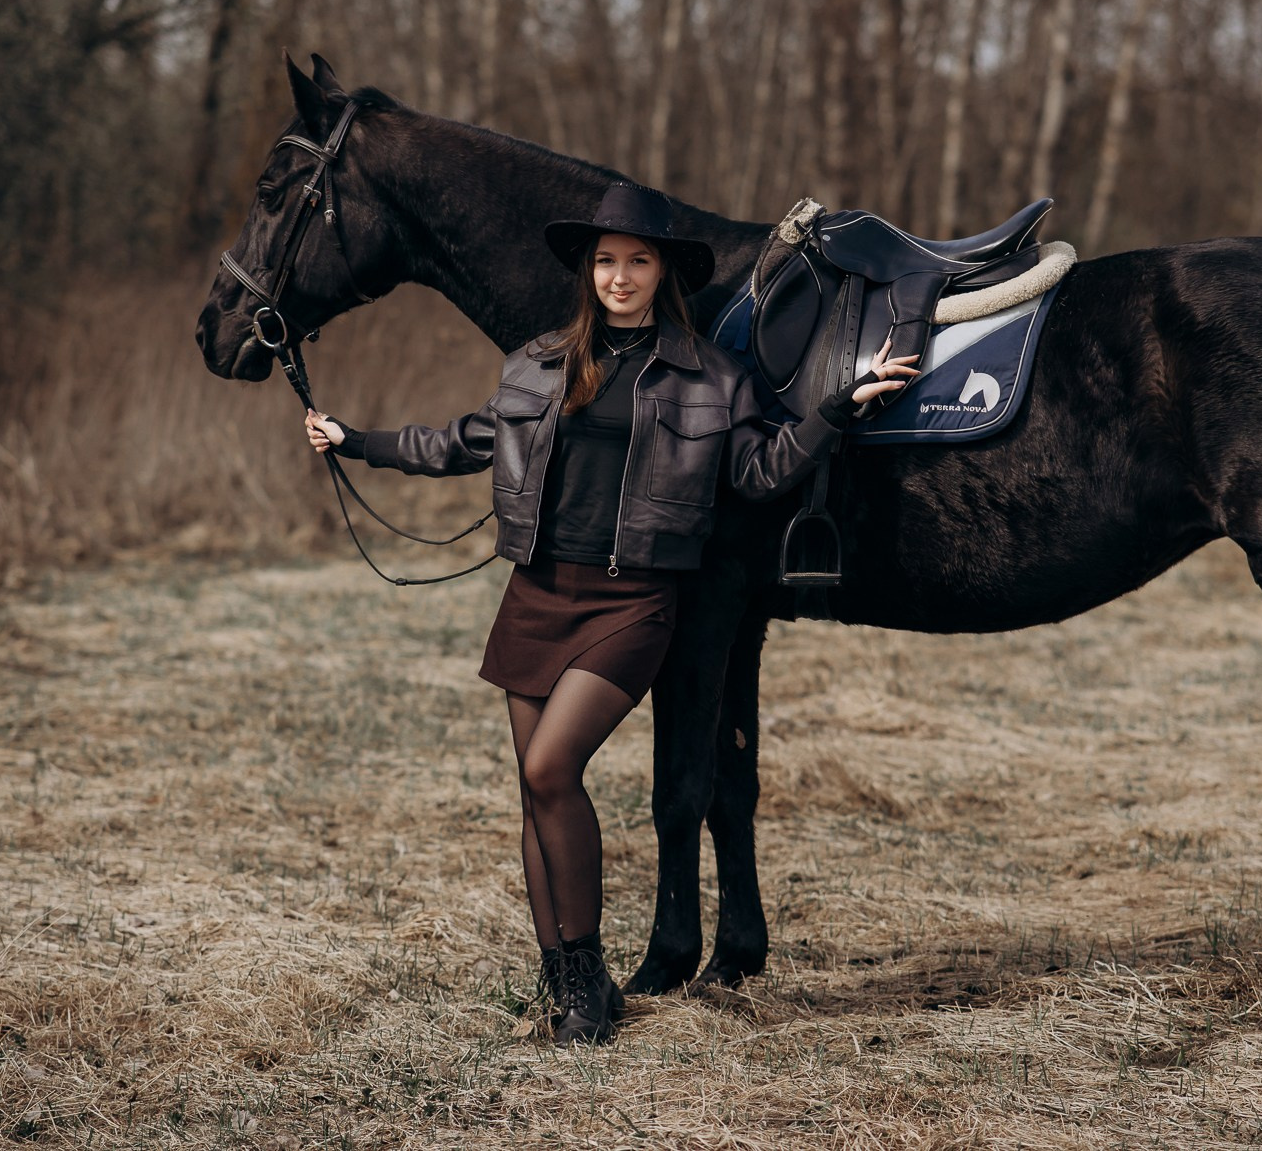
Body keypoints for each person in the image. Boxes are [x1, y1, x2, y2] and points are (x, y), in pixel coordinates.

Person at [303, 182, 917, 1045]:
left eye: (636, 260)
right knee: (536, 791)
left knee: (553, 768)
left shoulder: (713, 376)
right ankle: (568, 984)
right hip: (538, 593)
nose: (618, 276)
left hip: (634, 598)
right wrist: (355, 439)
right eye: (605, 261)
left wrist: (836, 408)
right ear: (587, 272)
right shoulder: (538, 363)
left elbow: (759, 470)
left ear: (662, 272)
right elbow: (460, 442)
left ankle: (589, 977)